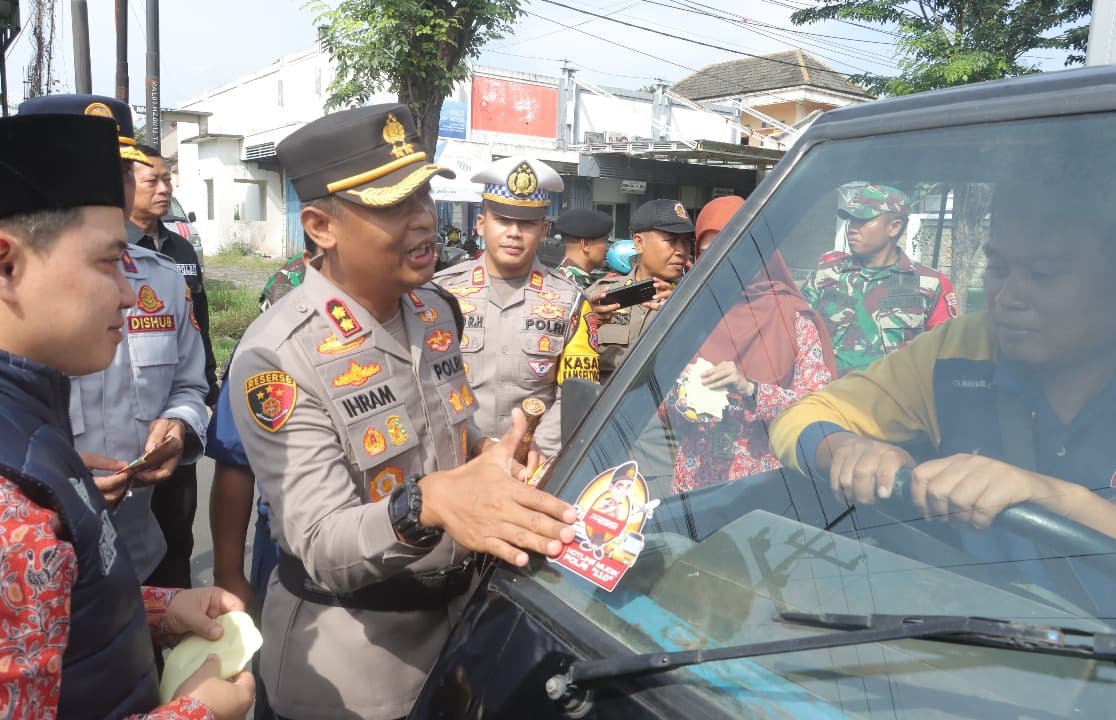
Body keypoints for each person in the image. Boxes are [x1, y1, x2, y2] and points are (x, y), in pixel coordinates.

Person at [227, 104, 576, 720]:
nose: (424, 222)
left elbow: (451, 437)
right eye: (392, 207)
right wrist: (430, 504)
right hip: (353, 667)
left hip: (462, 630)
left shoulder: (436, 311)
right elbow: (320, 542)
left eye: (425, 199)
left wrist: (493, 461)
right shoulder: (278, 355)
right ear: (319, 226)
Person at [0, 111, 253, 720]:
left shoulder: (31, 427)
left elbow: (61, 612)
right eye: (106, 262)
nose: (126, 291)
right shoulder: (16, 509)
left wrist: (160, 610)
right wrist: (199, 713)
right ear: (6, 264)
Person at [770, 183, 1116, 539]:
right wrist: (847, 449)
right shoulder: (959, 350)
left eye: (1044, 274)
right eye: (997, 268)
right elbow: (800, 416)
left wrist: (1052, 496)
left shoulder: (929, 285)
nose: (1008, 297)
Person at [19, 94, 210, 588]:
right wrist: (53, 481)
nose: (124, 297)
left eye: (126, 169)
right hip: (34, 575)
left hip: (137, 560)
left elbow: (191, 385)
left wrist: (179, 427)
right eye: (101, 167)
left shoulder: (162, 277)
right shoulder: (21, 287)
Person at [208, 240, 315, 720]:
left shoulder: (422, 317)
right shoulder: (276, 324)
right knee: (282, 685)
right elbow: (235, 460)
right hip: (289, 553)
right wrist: (229, 572)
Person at [665, 198, 837, 494]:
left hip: (763, 490)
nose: (720, 263)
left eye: (732, 252)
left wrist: (751, 390)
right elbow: (657, 400)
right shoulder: (687, 314)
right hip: (693, 488)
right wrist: (682, 394)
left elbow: (817, 406)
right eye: (709, 253)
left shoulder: (791, 317)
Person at [433, 157, 600, 457]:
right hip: (456, 465)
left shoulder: (571, 301)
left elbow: (576, 394)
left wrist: (533, 452)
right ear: (481, 223)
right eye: (502, 219)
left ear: (543, 230)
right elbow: (428, 383)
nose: (514, 232)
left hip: (534, 468)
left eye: (526, 223)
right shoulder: (442, 293)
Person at [129, 142, 220, 591]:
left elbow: (198, 321)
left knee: (177, 541)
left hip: (175, 426)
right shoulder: (112, 253)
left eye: (168, 180)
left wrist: (207, 386)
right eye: (153, 180)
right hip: (124, 442)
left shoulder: (180, 248)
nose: (164, 189)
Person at [801, 184, 958, 376]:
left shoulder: (931, 285)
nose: (852, 228)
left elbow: (945, 357)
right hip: (828, 399)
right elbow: (797, 340)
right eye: (851, 219)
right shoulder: (825, 277)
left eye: (862, 220)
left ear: (894, 227)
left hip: (892, 402)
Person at [587, 198, 693, 382]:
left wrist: (683, 314)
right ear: (639, 243)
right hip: (603, 405)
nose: (681, 250)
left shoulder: (694, 300)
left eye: (686, 241)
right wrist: (587, 324)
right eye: (672, 240)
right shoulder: (600, 295)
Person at [553, 207, 613, 290]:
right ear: (586, 245)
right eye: (604, 241)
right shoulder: (572, 286)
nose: (607, 248)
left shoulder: (557, 278)